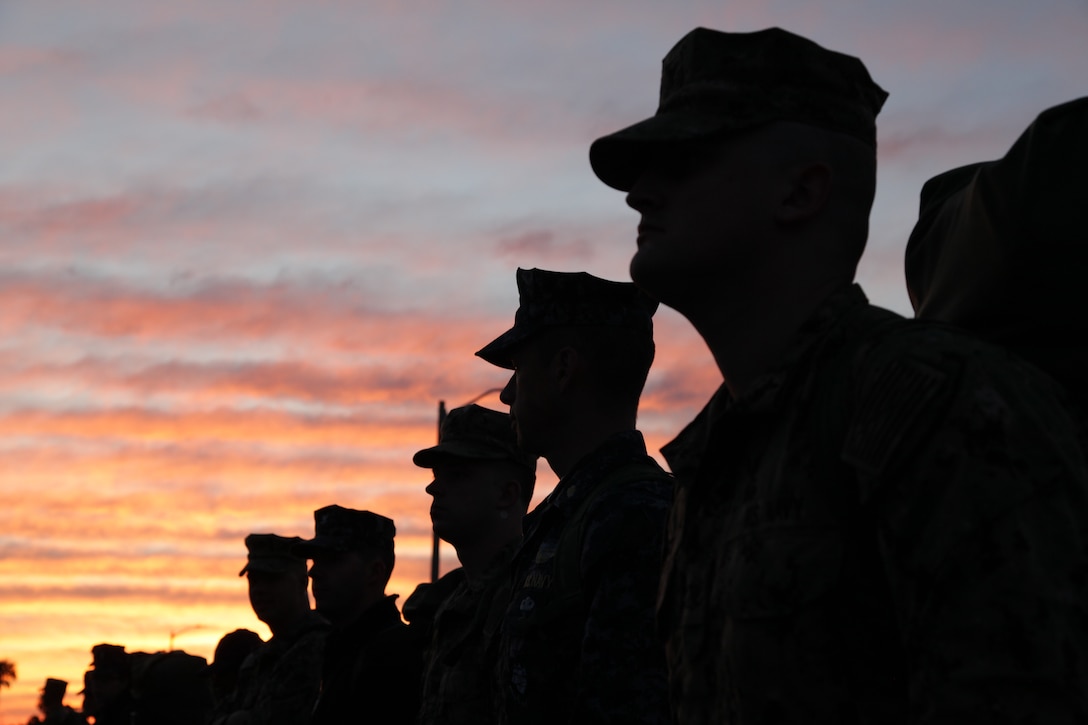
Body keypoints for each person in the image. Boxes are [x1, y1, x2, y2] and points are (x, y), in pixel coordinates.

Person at [589, 25, 1088, 724]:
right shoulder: (718, 452)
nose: (639, 193)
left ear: (801, 192)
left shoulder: (938, 407)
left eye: (687, 157)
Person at [476, 268, 673, 724]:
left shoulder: (634, 516)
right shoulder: (571, 516)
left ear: (563, 369)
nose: (506, 394)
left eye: (519, 371)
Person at [411, 403, 538, 725]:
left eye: (457, 475)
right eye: (437, 474)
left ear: (507, 494)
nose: (433, 487)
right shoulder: (456, 600)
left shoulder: (530, 594)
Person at [295, 505, 423, 725]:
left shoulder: (395, 655)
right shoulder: (340, 647)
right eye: (315, 560)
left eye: (332, 559)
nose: (313, 571)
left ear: (374, 572)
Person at [211, 534, 328, 725]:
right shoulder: (259, 657)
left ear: (302, 582)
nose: (260, 589)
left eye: (272, 579)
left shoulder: (320, 645)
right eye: (254, 580)